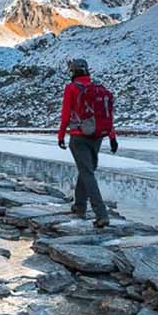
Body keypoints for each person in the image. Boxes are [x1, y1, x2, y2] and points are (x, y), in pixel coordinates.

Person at [57, 58, 118, 228]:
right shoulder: (97, 89)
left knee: (87, 174)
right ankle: (79, 207)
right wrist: (113, 137)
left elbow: (66, 114)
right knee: (86, 170)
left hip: (79, 137)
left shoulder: (71, 89)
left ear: (73, 72)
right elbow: (107, 115)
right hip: (97, 136)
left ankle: (101, 213)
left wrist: (61, 136)